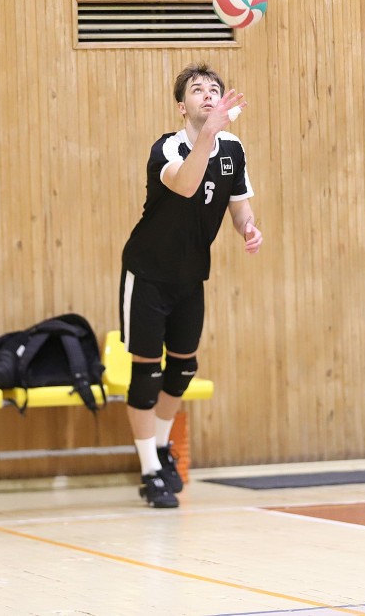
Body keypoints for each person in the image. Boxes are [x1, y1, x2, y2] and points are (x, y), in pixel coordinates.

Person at [119, 62, 263, 508]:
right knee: (147, 374)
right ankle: (150, 472)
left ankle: (161, 448)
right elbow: (185, 185)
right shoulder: (167, 147)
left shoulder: (233, 149)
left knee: (182, 369)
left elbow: (239, 205)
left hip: (191, 275)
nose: (207, 94)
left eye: (214, 89)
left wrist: (248, 227)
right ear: (182, 106)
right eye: (197, 90)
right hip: (147, 273)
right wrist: (209, 133)